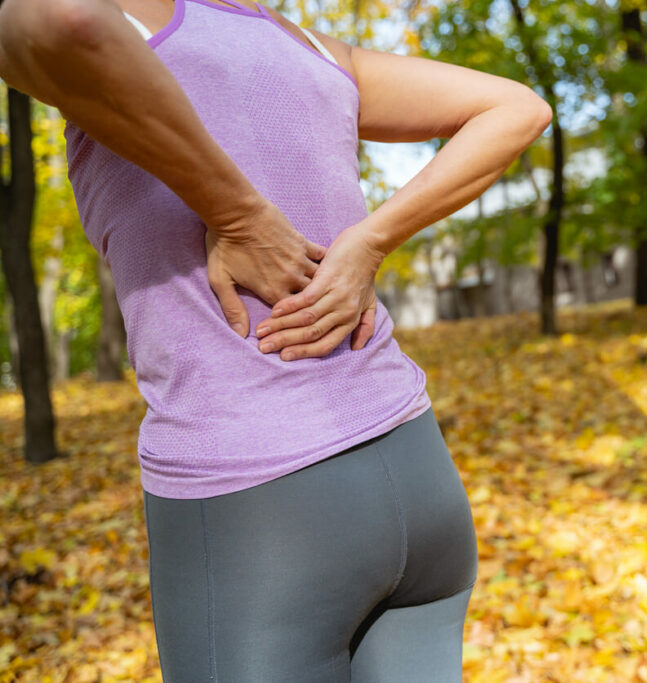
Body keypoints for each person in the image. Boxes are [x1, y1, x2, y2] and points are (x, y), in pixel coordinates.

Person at [0, 0, 551, 680]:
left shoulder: (133, 21)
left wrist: (239, 213)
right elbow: (517, 108)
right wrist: (369, 240)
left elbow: (64, 21)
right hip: (418, 471)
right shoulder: (318, 50)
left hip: (260, 507)